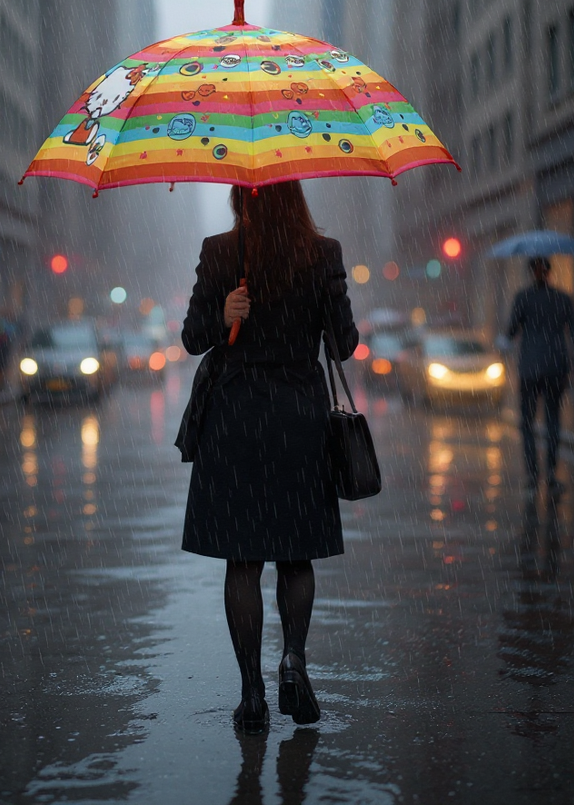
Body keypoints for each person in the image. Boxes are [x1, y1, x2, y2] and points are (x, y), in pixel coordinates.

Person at [180, 181, 358, 734]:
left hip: (236, 419)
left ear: (241, 197)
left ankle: (251, 693)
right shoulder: (322, 253)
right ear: (296, 195)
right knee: (296, 554)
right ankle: (293, 660)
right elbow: (344, 344)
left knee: (243, 559)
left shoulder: (219, 251)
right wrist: (322, 303)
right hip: (299, 420)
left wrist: (223, 315)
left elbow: (191, 339)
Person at [506, 256, 574, 494]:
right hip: (555, 367)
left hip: (530, 368)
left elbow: (510, 331)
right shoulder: (563, 299)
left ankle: (532, 475)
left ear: (532, 272)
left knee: (527, 423)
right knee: (552, 421)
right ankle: (549, 474)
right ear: (549, 272)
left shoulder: (523, 298)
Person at [0, 310, 17, 391]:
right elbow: (9, 335)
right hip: (2, 349)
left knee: (0, 367)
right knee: (2, 366)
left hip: (0, 349)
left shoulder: (1, 324)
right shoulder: (4, 324)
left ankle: (1, 383)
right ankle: (1, 383)